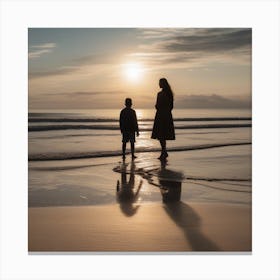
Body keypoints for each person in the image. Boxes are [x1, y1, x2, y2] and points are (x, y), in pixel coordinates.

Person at [151, 78, 175, 159]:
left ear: (163, 84)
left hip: (161, 115)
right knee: (162, 135)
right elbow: (171, 106)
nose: (159, 84)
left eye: (160, 83)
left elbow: (157, 106)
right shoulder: (169, 94)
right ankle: (164, 151)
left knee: (161, 135)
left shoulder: (161, 94)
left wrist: (160, 108)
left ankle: (164, 152)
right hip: (166, 115)